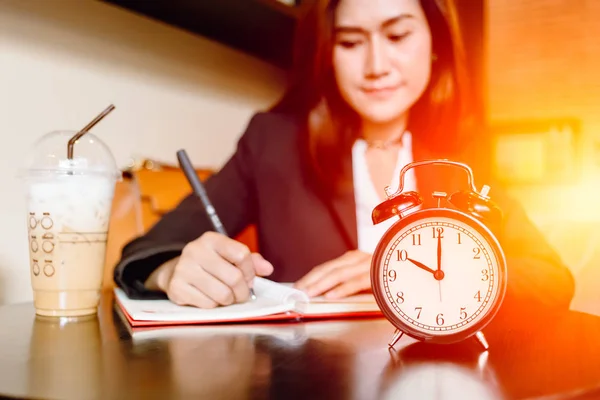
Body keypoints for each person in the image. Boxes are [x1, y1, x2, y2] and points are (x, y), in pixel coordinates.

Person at [113, 0, 575, 318]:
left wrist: (424, 272)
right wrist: (173, 271)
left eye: (397, 36)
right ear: (326, 54)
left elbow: (550, 278)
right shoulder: (272, 143)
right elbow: (143, 254)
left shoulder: (461, 157)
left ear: (435, 44)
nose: (376, 65)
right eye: (351, 43)